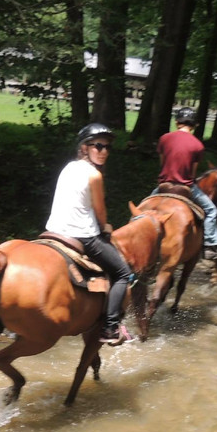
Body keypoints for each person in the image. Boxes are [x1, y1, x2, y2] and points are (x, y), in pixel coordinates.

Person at [45, 123, 133, 345]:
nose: (104, 151)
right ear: (84, 147)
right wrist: (105, 227)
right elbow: (100, 211)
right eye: (98, 146)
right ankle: (111, 328)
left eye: (107, 148)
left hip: (53, 230)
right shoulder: (94, 175)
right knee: (123, 273)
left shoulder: (69, 167)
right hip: (82, 234)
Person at [156, 107, 217, 260]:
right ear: (194, 125)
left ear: (176, 121)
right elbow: (192, 174)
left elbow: (162, 163)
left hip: (164, 185)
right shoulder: (198, 145)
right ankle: (209, 245)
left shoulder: (164, 138)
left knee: (142, 207)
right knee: (211, 210)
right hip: (185, 186)